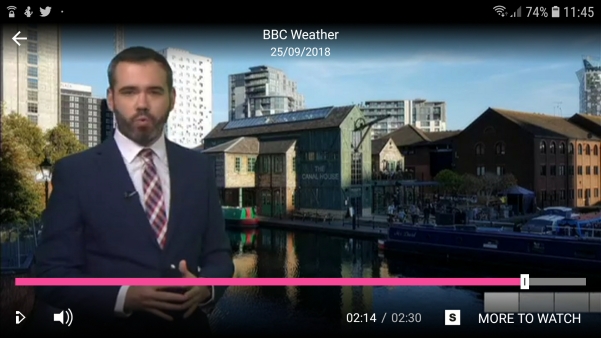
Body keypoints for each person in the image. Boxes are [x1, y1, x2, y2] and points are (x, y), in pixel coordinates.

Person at [34, 46, 234, 335]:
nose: (142, 103)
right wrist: (122, 296)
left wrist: (208, 286)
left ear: (172, 99)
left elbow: (219, 256)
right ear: (112, 99)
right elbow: (50, 274)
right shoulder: (74, 173)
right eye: (129, 92)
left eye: (154, 92)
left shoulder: (198, 168)